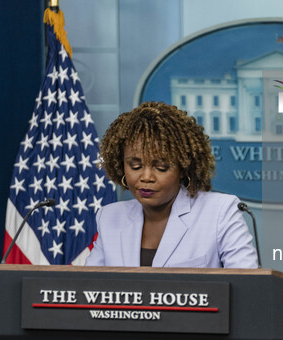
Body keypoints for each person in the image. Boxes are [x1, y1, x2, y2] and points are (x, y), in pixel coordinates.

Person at [85, 102, 258, 268]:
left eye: (161, 167)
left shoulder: (220, 213)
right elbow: (87, 287)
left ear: (183, 168)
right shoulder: (109, 217)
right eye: (135, 166)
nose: (146, 177)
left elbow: (248, 286)